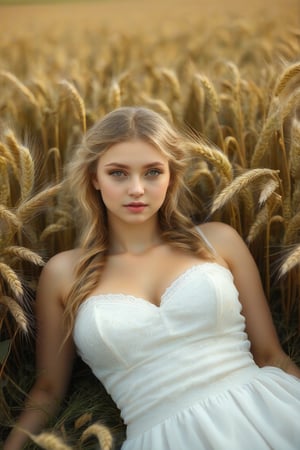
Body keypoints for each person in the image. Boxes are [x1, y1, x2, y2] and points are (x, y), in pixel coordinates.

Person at [4, 106, 300, 450]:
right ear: (94, 177)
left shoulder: (219, 240)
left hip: (268, 413)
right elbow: (48, 390)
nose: (137, 189)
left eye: (152, 172)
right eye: (118, 173)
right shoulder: (64, 274)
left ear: (171, 176)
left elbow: (271, 356)